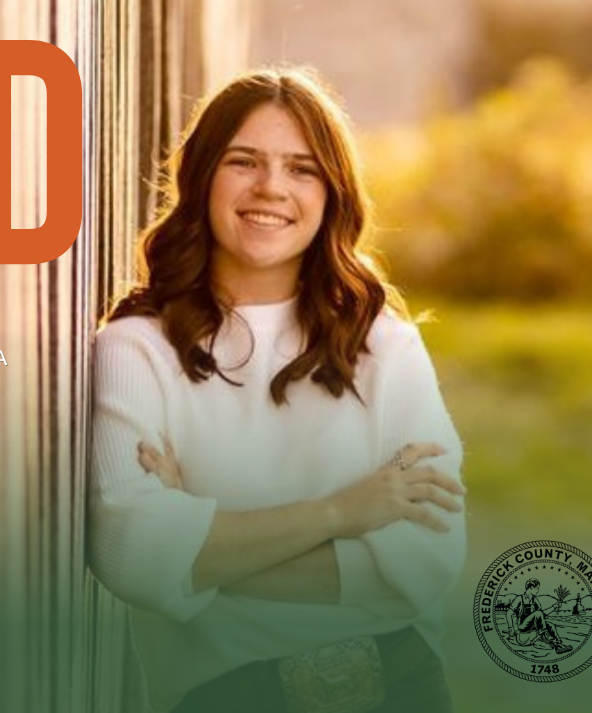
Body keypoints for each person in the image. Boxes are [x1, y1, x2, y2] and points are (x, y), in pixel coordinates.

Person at [87, 68, 467, 713]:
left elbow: (425, 565)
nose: (271, 188)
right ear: (202, 175)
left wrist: (201, 539)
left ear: (331, 194)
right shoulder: (136, 350)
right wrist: (343, 514)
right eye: (245, 162)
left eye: (301, 169)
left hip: (400, 687)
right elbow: (132, 557)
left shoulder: (384, 346)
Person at [507, 579, 572, 654]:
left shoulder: (535, 600)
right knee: (538, 613)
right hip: (523, 626)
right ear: (531, 587)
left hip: (533, 625)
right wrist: (510, 628)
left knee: (550, 625)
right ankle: (544, 636)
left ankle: (558, 644)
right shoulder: (519, 599)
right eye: (537, 588)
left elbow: (542, 615)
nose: (538, 590)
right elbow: (509, 613)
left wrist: (554, 607)